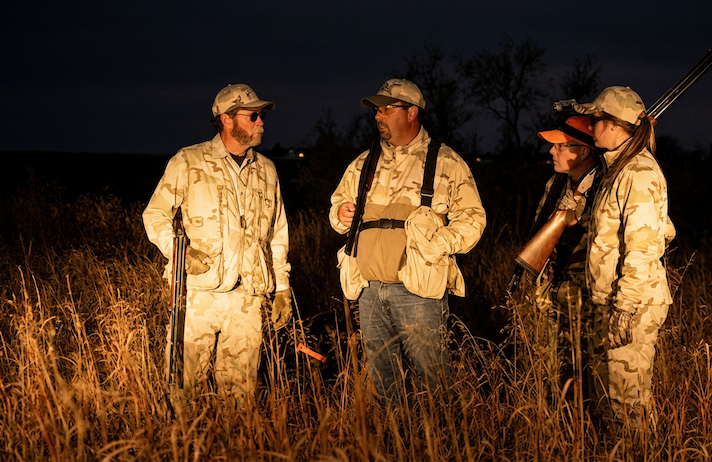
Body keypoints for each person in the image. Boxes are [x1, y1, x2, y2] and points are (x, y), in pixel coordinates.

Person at [329, 78, 486, 404]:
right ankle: (396, 443)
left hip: (420, 291)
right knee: (384, 380)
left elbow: (473, 220)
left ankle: (439, 444)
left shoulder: (445, 162)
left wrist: (435, 244)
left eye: (386, 109)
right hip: (369, 289)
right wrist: (341, 215)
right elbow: (336, 210)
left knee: (433, 380)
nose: (377, 116)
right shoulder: (363, 163)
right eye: (376, 110)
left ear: (412, 112)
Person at [143, 83, 292, 409]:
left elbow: (277, 234)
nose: (261, 121)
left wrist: (281, 288)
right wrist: (179, 253)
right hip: (197, 296)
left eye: (261, 115)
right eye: (253, 115)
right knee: (183, 390)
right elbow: (154, 214)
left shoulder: (267, 170)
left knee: (240, 396)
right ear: (226, 119)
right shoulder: (190, 161)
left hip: (248, 301)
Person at [573, 86, 675, 430]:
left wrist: (625, 306)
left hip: (631, 304)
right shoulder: (616, 170)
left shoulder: (638, 173)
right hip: (611, 300)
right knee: (609, 399)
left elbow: (644, 248)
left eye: (595, 119)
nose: (590, 126)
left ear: (615, 125)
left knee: (626, 405)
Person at [530, 115, 602, 392]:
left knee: (588, 376)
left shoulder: (604, 187)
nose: (552, 151)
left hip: (587, 299)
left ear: (584, 151)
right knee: (556, 371)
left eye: (561, 146)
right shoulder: (557, 184)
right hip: (553, 293)